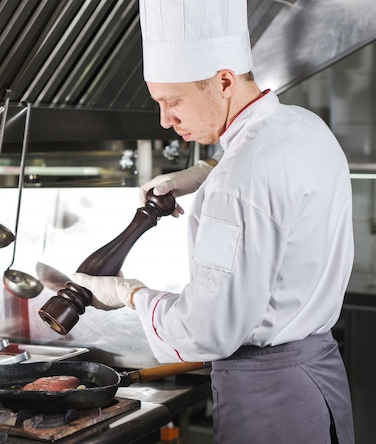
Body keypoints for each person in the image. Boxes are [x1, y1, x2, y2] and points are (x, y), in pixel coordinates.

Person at [70, 0, 355, 443]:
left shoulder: (237, 184)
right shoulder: (303, 125)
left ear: (224, 81)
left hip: (270, 398)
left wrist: (131, 294)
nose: (166, 119)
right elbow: (261, 162)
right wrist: (204, 171)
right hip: (318, 381)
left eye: (173, 101)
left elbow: (208, 332)